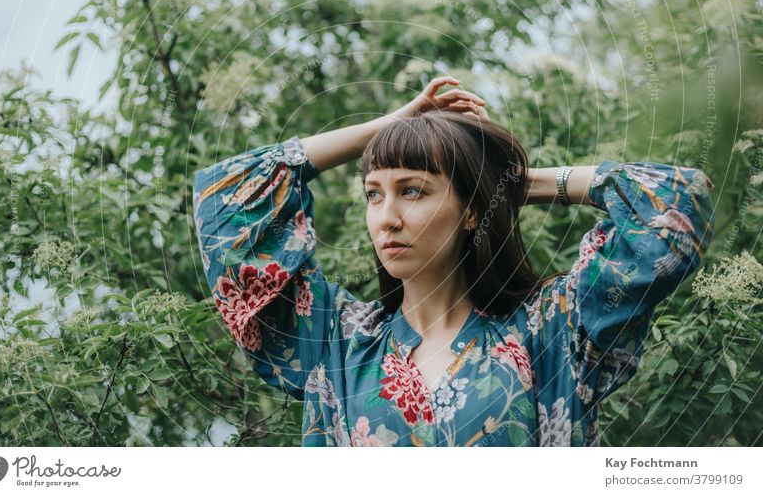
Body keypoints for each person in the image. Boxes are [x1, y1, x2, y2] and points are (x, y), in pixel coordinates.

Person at [192, 77, 716, 447]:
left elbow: (675, 203)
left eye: (413, 191)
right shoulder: (333, 344)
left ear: (469, 214)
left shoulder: (554, 330)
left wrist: (505, 183)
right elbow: (227, 199)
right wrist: (394, 124)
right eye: (374, 194)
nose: (386, 218)